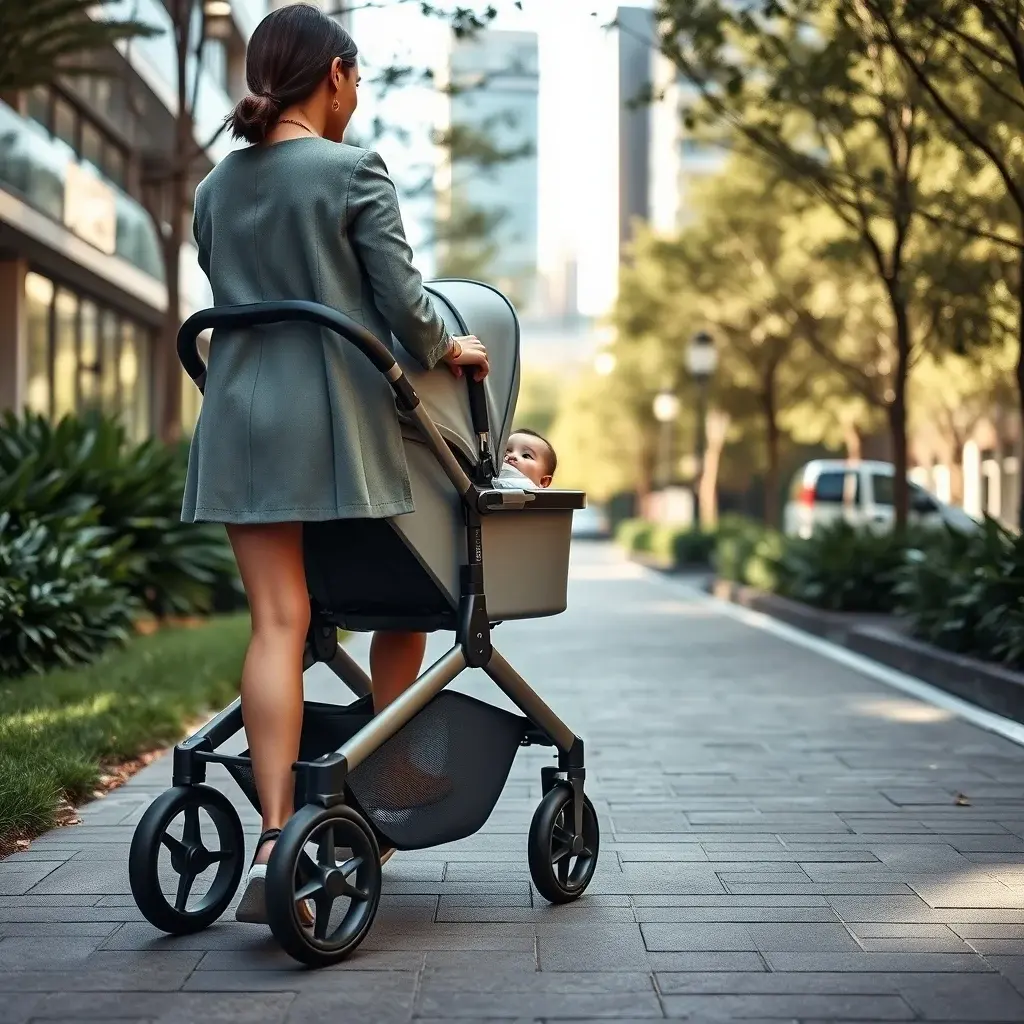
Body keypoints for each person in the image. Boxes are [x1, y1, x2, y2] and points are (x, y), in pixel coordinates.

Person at [180, 3, 489, 925]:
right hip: (332, 427)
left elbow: (227, 288)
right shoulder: (354, 169)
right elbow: (401, 300)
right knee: (406, 597)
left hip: (236, 420)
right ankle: (376, 797)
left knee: (279, 622)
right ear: (339, 74)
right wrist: (452, 347)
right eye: (358, 83)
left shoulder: (214, 188)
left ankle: (276, 831)